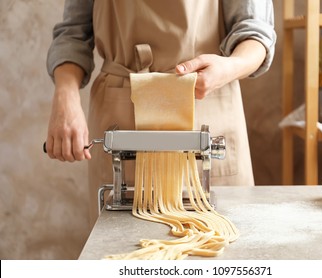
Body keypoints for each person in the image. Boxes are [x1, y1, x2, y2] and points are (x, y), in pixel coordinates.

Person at [45, 0, 276, 227]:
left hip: (207, 103)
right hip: (120, 112)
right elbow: (73, 33)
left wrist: (229, 67)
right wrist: (65, 97)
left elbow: (255, 30)